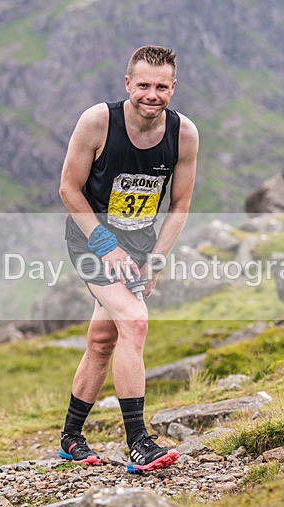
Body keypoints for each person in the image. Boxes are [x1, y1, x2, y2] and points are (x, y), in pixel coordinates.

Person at [57, 45, 199, 473]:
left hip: (139, 247)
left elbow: (180, 206)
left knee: (103, 341)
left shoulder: (184, 134)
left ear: (173, 88)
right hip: (91, 241)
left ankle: (71, 437)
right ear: (127, 84)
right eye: (143, 85)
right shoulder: (98, 122)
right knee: (134, 322)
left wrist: (155, 260)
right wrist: (105, 244)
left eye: (161, 87)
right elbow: (68, 189)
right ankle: (139, 442)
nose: (152, 95)